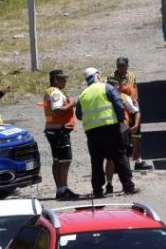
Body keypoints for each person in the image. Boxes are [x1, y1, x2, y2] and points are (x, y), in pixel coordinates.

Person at [76, 67, 138, 198]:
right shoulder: (107, 88)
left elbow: (79, 115)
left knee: (96, 162)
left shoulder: (83, 95)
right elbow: (119, 105)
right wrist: (121, 122)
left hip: (92, 133)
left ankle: (98, 190)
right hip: (111, 129)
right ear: (97, 76)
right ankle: (128, 187)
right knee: (119, 157)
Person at [43, 69, 80, 200]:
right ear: (55, 80)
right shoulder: (55, 93)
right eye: (62, 79)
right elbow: (57, 110)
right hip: (59, 131)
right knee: (65, 160)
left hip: (54, 130)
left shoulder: (51, 91)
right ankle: (63, 189)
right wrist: (71, 104)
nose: (65, 81)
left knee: (58, 160)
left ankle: (61, 189)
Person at [109, 57, 150, 170]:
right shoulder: (112, 77)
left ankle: (138, 161)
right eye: (119, 66)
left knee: (136, 136)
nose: (121, 68)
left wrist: (136, 102)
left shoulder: (132, 76)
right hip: (121, 108)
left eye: (123, 66)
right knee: (121, 138)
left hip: (132, 106)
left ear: (127, 66)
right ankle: (120, 164)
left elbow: (135, 89)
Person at [103, 77, 141, 194]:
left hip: (119, 131)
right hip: (113, 131)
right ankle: (113, 184)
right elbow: (136, 111)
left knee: (120, 158)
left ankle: (123, 183)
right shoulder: (108, 98)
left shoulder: (123, 98)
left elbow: (136, 111)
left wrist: (135, 124)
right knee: (116, 158)